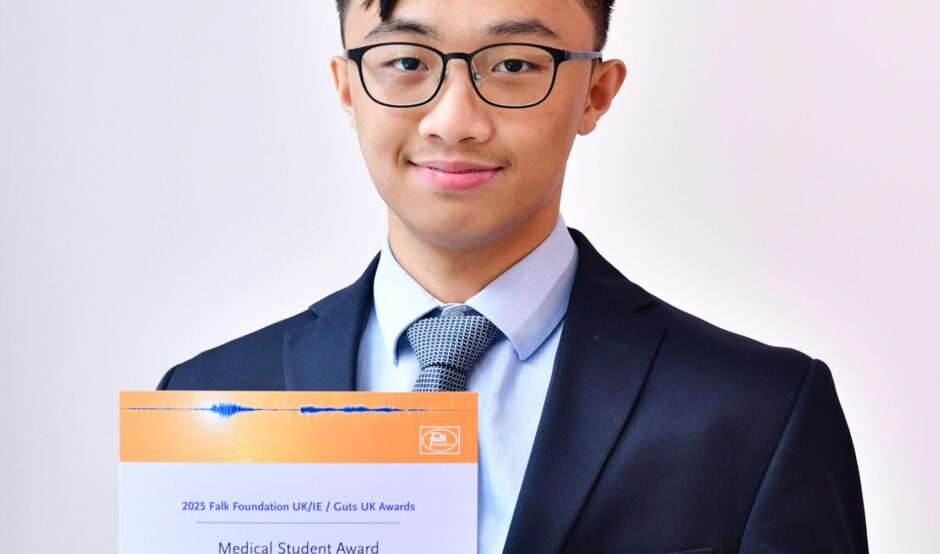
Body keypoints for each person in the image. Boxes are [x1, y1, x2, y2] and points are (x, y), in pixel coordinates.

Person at [158, 0, 868, 551]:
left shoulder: (758, 414)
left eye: (515, 64)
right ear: (347, 88)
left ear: (596, 91)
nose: (454, 120)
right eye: (406, 61)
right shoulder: (210, 402)